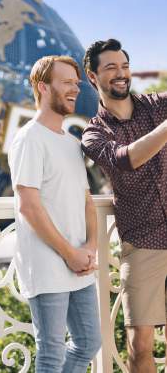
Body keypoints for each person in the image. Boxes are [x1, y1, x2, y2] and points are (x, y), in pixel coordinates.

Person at [8, 55, 101, 373]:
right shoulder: (29, 139)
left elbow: (87, 200)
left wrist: (90, 248)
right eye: (66, 83)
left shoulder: (73, 143)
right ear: (42, 87)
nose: (75, 89)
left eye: (76, 83)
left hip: (80, 261)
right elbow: (29, 205)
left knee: (89, 343)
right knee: (50, 352)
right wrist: (69, 254)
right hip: (48, 265)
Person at [81, 38, 167, 373]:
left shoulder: (156, 105)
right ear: (93, 76)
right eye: (111, 67)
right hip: (143, 241)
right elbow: (127, 159)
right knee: (140, 344)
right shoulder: (93, 134)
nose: (121, 74)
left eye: (125, 66)